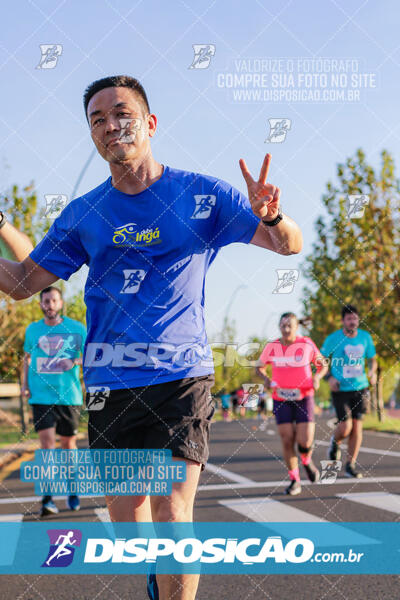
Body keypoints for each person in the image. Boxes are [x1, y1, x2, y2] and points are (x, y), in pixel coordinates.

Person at [0, 75, 302, 600]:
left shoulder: (205, 195)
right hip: (109, 382)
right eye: (97, 120)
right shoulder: (84, 214)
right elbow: (24, 283)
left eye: (121, 113)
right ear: (93, 137)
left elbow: (287, 245)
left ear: (150, 123)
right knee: (130, 525)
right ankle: (157, 577)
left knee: (172, 512)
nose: (110, 125)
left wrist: (272, 214)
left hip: (180, 375)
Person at [21, 286, 86, 516]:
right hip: (41, 396)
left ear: (60, 303)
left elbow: (88, 356)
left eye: (53, 301)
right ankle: (47, 498)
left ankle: (73, 488)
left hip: (69, 396)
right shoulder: (33, 330)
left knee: (68, 446)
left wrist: (74, 362)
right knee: (47, 446)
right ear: (41, 304)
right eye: (45, 301)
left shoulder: (76, 329)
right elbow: (27, 359)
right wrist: (24, 385)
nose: (49, 305)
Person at [257, 313, 328, 495]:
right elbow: (259, 366)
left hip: (304, 397)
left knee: (304, 442)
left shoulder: (306, 343)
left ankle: (306, 460)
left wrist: (318, 377)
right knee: (287, 440)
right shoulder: (272, 346)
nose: (286, 329)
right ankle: (294, 480)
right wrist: (265, 378)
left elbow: (322, 365)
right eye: (283, 325)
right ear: (279, 326)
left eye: (290, 326)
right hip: (281, 398)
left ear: (297, 327)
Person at [321, 305, 377, 479]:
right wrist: (329, 377)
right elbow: (319, 360)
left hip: (360, 388)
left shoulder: (365, 338)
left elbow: (372, 359)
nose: (352, 322)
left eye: (355, 319)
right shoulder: (333, 339)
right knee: (345, 427)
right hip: (340, 389)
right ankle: (335, 442)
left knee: (357, 429)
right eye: (349, 319)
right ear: (342, 321)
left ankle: (350, 465)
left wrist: (372, 372)